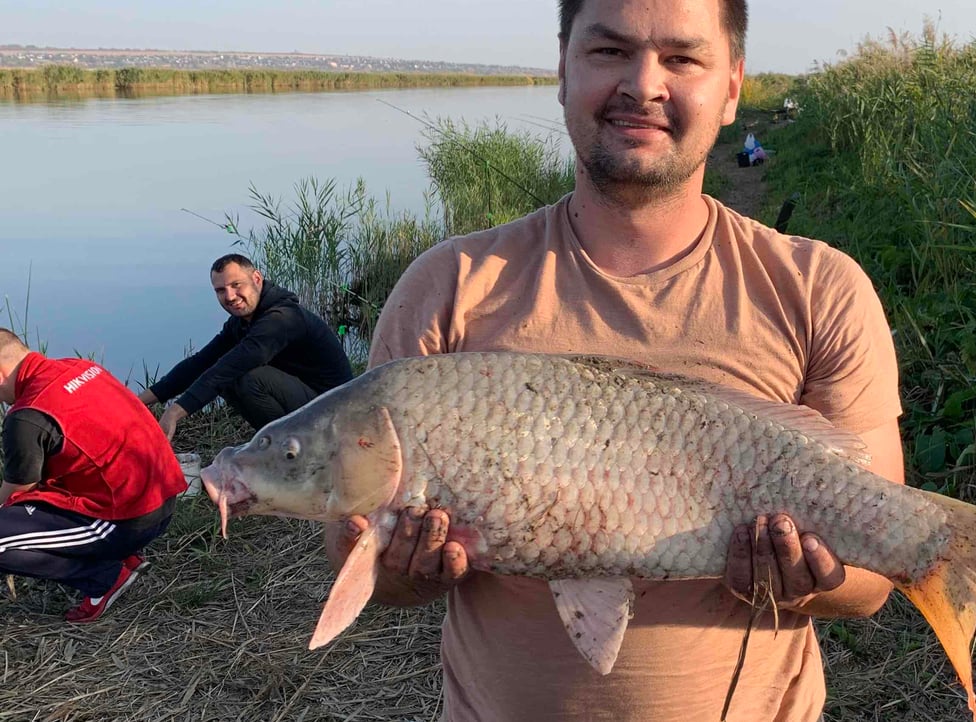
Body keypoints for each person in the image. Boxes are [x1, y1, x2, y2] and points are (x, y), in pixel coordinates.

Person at [325, 0, 905, 719]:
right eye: (609, 53)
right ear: (562, 70)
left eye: (682, 58)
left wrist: (808, 577)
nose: (643, 85)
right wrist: (410, 568)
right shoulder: (446, 286)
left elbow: (875, 581)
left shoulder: (820, 289)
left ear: (732, 88)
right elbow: (361, 560)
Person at [0, 328, 187, 622]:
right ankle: (120, 555)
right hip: (164, 499)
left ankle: (103, 577)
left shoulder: (27, 415)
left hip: (129, 520)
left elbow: (16, 492)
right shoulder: (82, 368)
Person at [138, 253, 354, 437]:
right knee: (223, 375)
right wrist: (137, 402)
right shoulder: (242, 321)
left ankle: (290, 446)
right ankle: (276, 441)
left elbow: (229, 368)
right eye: (220, 290)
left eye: (236, 285)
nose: (230, 296)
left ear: (257, 278)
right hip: (309, 401)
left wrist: (174, 413)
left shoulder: (281, 319)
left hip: (336, 412)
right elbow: (200, 362)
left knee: (244, 377)